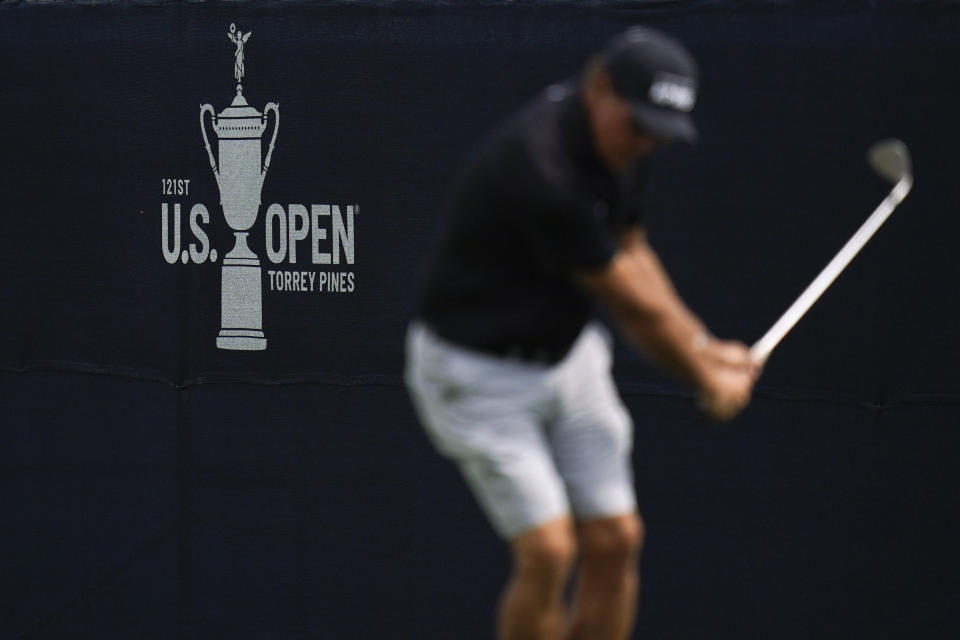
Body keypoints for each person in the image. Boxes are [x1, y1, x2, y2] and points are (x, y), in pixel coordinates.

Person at [405, 26, 758, 640]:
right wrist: (708, 379)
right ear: (599, 87)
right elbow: (631, 305)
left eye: (657, 133)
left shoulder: (624, 149)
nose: (645, 143)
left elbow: (632, 249)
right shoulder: (541, 167)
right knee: (548, 551)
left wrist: (702, 343)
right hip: (475, 379)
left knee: (616, 538)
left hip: (566, 360)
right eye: (638, 125)